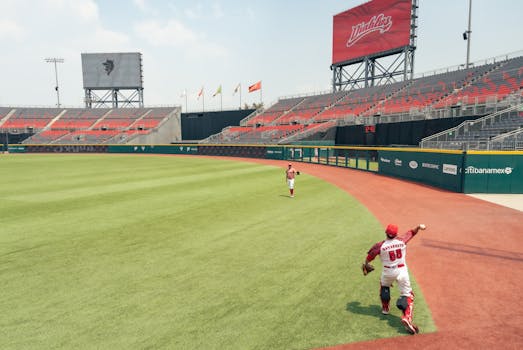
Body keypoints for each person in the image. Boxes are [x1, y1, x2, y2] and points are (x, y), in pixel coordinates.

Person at [362, 223, 427, 334]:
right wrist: (419, 227)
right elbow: (412, 233)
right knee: (408, 295)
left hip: (388, 272)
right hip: (402, 272)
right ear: (396, 234)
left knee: (384, 286)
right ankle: (407, 317)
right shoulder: (402, 241)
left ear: (386, 233)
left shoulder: (380, 246)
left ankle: (385, 308)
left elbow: (370, 256)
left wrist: (367, 263)